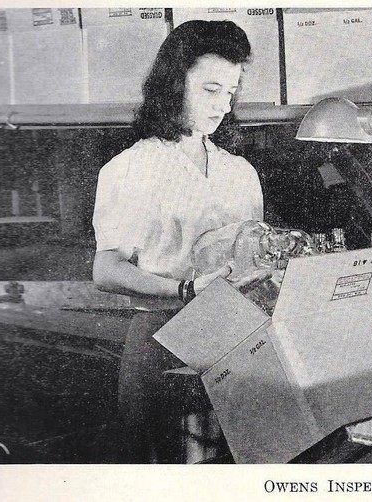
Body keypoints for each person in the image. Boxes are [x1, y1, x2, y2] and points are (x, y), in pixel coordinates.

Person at [92, 20, 269, 462]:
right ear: (174, 84)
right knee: (167, 470)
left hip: (235, 336)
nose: (223, 106)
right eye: (210, 90)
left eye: (230, 92)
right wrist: (186, 290)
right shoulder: (131, 168)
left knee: (237, 465)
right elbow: (107, 269)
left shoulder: (239, 172)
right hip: (162, 336)